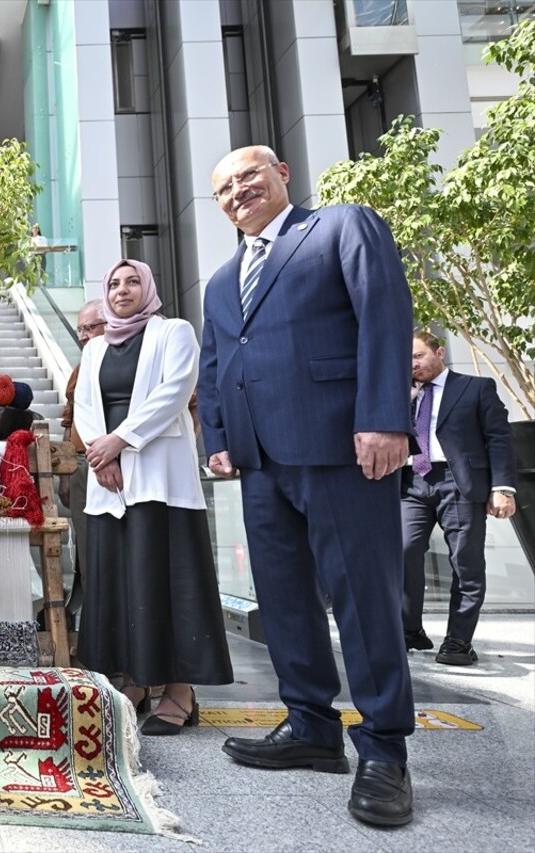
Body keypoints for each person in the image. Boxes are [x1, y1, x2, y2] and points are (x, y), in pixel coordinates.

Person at [197, 145, 416, 826]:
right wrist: (219, 436)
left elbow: (385, 318)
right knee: (286, 601)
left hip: (340, 448)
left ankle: (384, 749)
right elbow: (217, 361)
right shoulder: (221, 280)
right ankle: (312, 726)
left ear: (282, 174)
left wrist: (383, 417)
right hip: (261, 462)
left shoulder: (341, 226)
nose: (238, 192)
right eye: (225, 189)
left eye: (248, 177)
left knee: (363, 596)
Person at [74, 260, 233, 736]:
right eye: (114, 283)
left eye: (133, 281)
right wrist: (100, 455)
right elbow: (84, 406)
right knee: (120, 580)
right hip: (108, 479)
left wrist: (118, 442)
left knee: (168, 580)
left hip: (160, 478)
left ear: (150, 288)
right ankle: (136, 682)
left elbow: (174, 394)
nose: (123, 289)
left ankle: (179, 691)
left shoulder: (174, 332)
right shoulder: (96, 348)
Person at [402, 330, 516, 665]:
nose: (412, 364)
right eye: (406, 359)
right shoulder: (402, 394)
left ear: (439, 352)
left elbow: (498, 438)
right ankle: (410, 630)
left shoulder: (475, 388)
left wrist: (502, 488)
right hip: (412, 483)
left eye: (418, 356)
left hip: (459, 483)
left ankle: (458, 641)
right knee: (403, 551)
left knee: (465, 562)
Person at [58, 300, 108, 628]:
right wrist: (65, 470)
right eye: (80, 329)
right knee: (88, 552)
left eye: (91, 327)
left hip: (126, 464)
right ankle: (96, 629)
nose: (83, 336)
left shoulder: (134, 360)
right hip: (81, 466)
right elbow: (68, 418)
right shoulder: (80, 370)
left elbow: (190, 402)